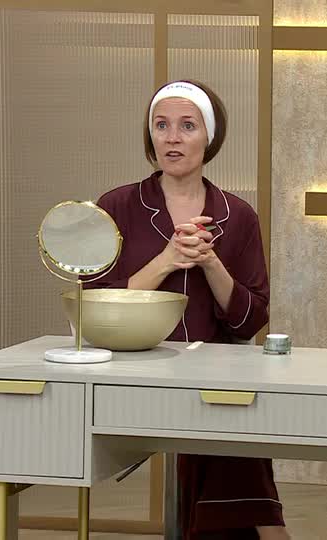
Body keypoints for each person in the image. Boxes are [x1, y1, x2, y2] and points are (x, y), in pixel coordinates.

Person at [89, 80, 289, 540]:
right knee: (219, 412)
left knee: (227, 408)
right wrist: (167, 259)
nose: (172, 138)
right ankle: (268, 531)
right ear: (150, 136)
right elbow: (96, 308)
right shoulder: (115, 207)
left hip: (209, 373)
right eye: (161, 126)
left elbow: (249, 321)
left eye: (186, 126)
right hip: (132, 369)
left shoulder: (237, 215)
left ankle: (251, 529)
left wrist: (209, 261)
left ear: (209, 138)